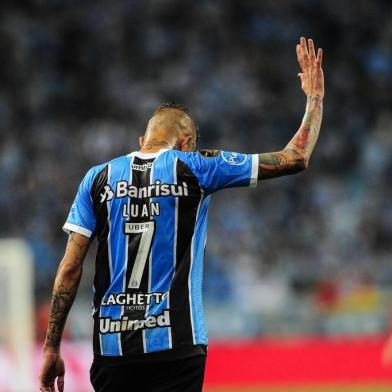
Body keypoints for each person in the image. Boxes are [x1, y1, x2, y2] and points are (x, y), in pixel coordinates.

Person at [39, 37, 324, 392]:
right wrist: (315, 97)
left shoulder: (97, 178)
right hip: (176, 347)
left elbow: (69, 269)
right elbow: (295, 158)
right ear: (188, 142)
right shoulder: (195, 166)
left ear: (143, 139)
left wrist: (52, 346)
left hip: (112, 350)